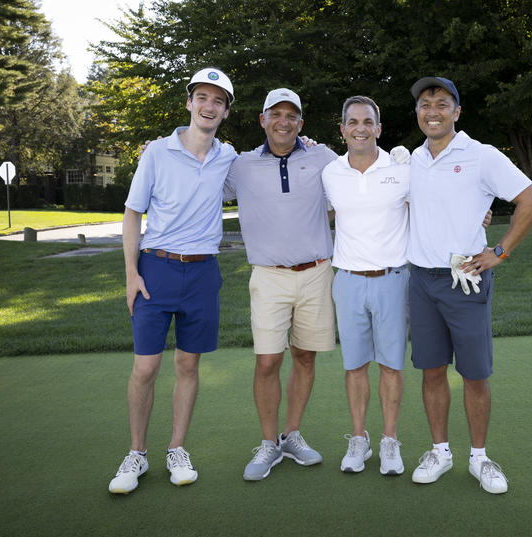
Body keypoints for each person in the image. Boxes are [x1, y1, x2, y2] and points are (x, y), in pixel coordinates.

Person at [406, 77, 532, 494]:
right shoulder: (409, 159)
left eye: (442, 103)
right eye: (425, 103)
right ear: (417, 112)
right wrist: (478, 215)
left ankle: (480, 458)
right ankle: (440, 451)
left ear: (457, 112)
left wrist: (499, 252)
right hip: (420, 280)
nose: (433, 110)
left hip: (464, 280)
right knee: (431, 372)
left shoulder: (481, 155)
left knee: (474, 375)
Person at [108, 67, 238, 494]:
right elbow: (132, 214)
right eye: (202, 97)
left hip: (203, 272)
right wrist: (131, 275)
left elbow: (266, 167)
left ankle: (176, 449)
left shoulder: (228, 157)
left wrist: (306, 145)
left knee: (188, 364)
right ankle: (137, 454)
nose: (209, 106)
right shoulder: (157, 153)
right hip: (156, 268)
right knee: (145, 367)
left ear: (225, 111)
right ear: (189, 103)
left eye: (218, 101)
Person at [223, 88, 338, 481]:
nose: (284, 122)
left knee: (305, 356)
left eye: (292, 116)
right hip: (268, 276)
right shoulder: (240, 165)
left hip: (317, 272)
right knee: (268, 359)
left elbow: (361, 187)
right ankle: (269, 443)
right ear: (262, 120)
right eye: (276, 114)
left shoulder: (323, 157)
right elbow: (197, 180)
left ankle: (292, 435)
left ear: (301, 123)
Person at [321, 96, 410, 475]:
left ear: (379, 127)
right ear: (342, 129)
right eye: (352, 121)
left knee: (391, 365)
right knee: (355, 365)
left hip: (393, 280)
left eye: (368, 121)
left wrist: (481, 214)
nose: (360, 128)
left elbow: (435, 205)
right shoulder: (330, 173)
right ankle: (360, 439)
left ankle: (390, 441)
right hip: (348, 281)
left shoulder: (403, 169)